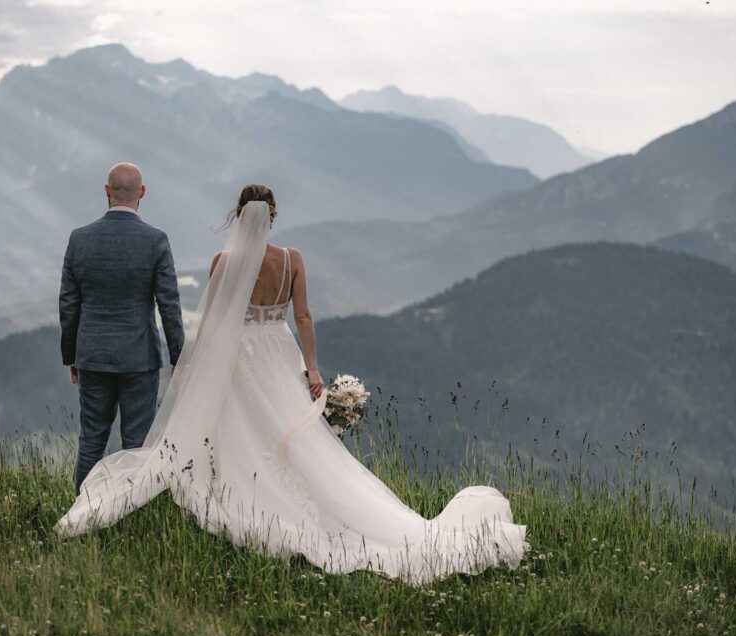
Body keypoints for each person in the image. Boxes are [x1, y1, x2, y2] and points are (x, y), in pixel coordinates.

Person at [55, 185, 528, 584]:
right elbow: (302, 316)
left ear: (238, 214)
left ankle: (239, 494)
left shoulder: (224, 261)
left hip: (238, 357)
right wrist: (314, 369)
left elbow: (213, 321)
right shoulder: (291, 259)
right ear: (273, 216)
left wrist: (193, 367)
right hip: (278, 354)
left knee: (235, 430)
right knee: (286, 434)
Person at [58, 162, 184, 494]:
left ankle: (83, 511)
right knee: (137, 443)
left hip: (92, 355)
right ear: (142, 192)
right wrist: (179, 358)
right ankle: (131, 512)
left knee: (91, 440)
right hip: (139, 358)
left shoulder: (79, 239)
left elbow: (68, 305)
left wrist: (72, 357)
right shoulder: (155, 241)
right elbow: (169, 305)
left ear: (107, 191)